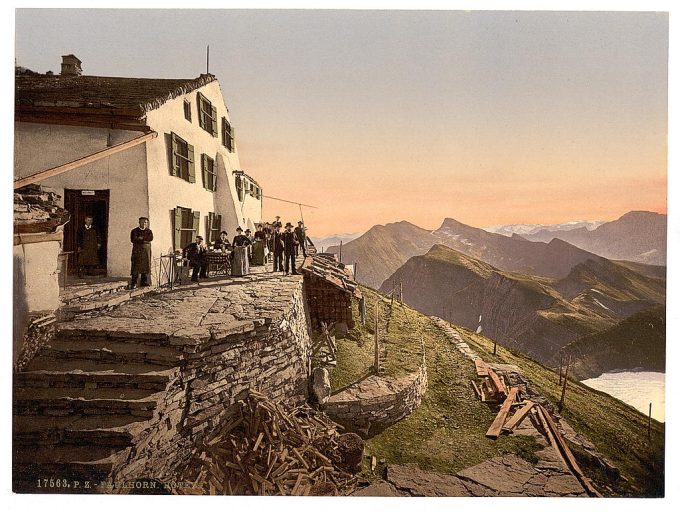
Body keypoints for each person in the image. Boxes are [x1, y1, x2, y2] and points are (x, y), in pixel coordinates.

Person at [130, 217, 153, 289]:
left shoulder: (149, 231)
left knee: (145, 266)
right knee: (136, 266)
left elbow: (150, 238)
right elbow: (133, 239)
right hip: (137, 251)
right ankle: (134, 283)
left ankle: (144, 282)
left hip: (146, 251)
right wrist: (143, 239)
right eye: (142, 222)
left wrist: (141, 238)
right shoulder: (134, 231)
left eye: (146, 222)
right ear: (139, 222)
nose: (144, 223)